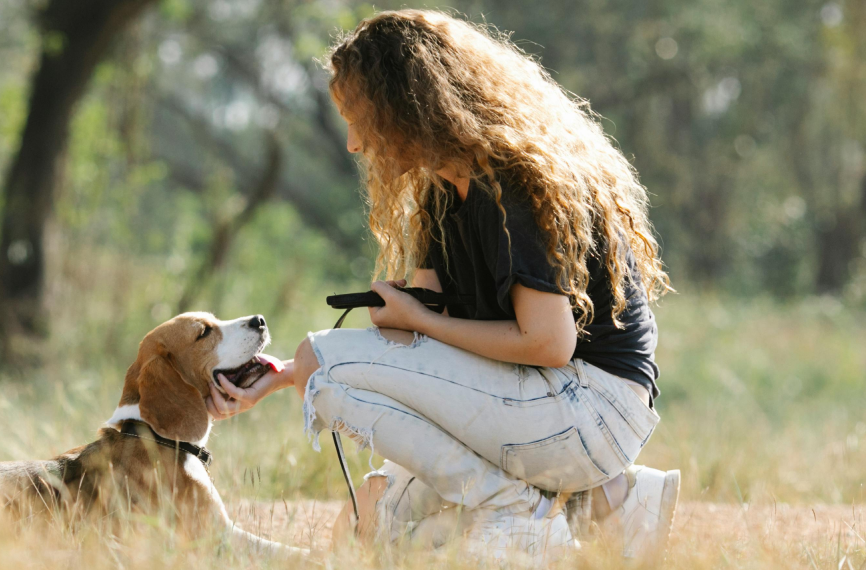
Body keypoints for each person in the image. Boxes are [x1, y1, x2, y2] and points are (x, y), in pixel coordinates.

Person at [204, 9, 680, 564]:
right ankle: (612, 504)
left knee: (324, 360)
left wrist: (410, 324)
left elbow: (550, 343)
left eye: (361, 118)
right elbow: (425, 346)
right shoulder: (441, 193)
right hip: (541, 400)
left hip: (593, 408)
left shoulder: (515, 184)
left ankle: (519, 513)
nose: (355, 143)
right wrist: (290, 375)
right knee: (370, 523)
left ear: (408, 106)